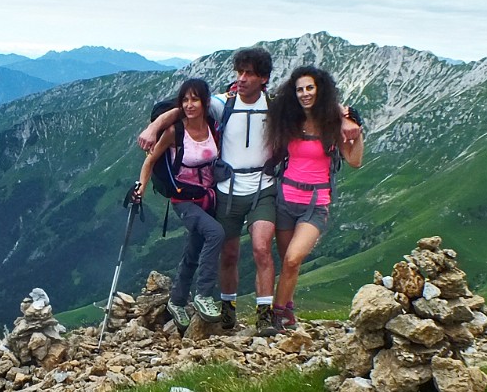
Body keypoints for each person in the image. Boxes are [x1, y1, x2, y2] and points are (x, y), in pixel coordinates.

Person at [139, 46, 361, 335]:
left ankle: (265, 313)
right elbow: (186, 109)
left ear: (264, 78)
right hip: (227, 189)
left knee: (260, 249)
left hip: (264, 187)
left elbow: (315, 106)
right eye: (239, 72)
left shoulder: (275, 105)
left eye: (249, 74)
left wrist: (346, 118)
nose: (241, 78)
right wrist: (154, 126)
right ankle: (228, 307)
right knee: (229, 253)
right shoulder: (222, 104)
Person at [264, 65, 364, 331]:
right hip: (285, 198)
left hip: (316, 203)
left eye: (310, 88)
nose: (305, 93)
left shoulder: (332, 125)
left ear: (320, 90)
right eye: (300, 89)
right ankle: (288, 312)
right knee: (287, 261)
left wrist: (356, 129)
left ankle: (277, 315)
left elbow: (354, 161)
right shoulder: (290, 120)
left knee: (293, 259)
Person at [133, 78, 223, 326]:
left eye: (195, 99)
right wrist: (140, 187)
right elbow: (150, 160)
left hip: (209, 196)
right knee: (215, 233)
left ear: (205, 101)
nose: (189, 104)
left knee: (194, 250)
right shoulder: (175, 131)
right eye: (185, 100)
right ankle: (204, 295)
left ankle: (177, 300)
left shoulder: (213, 126)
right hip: (184, 199)